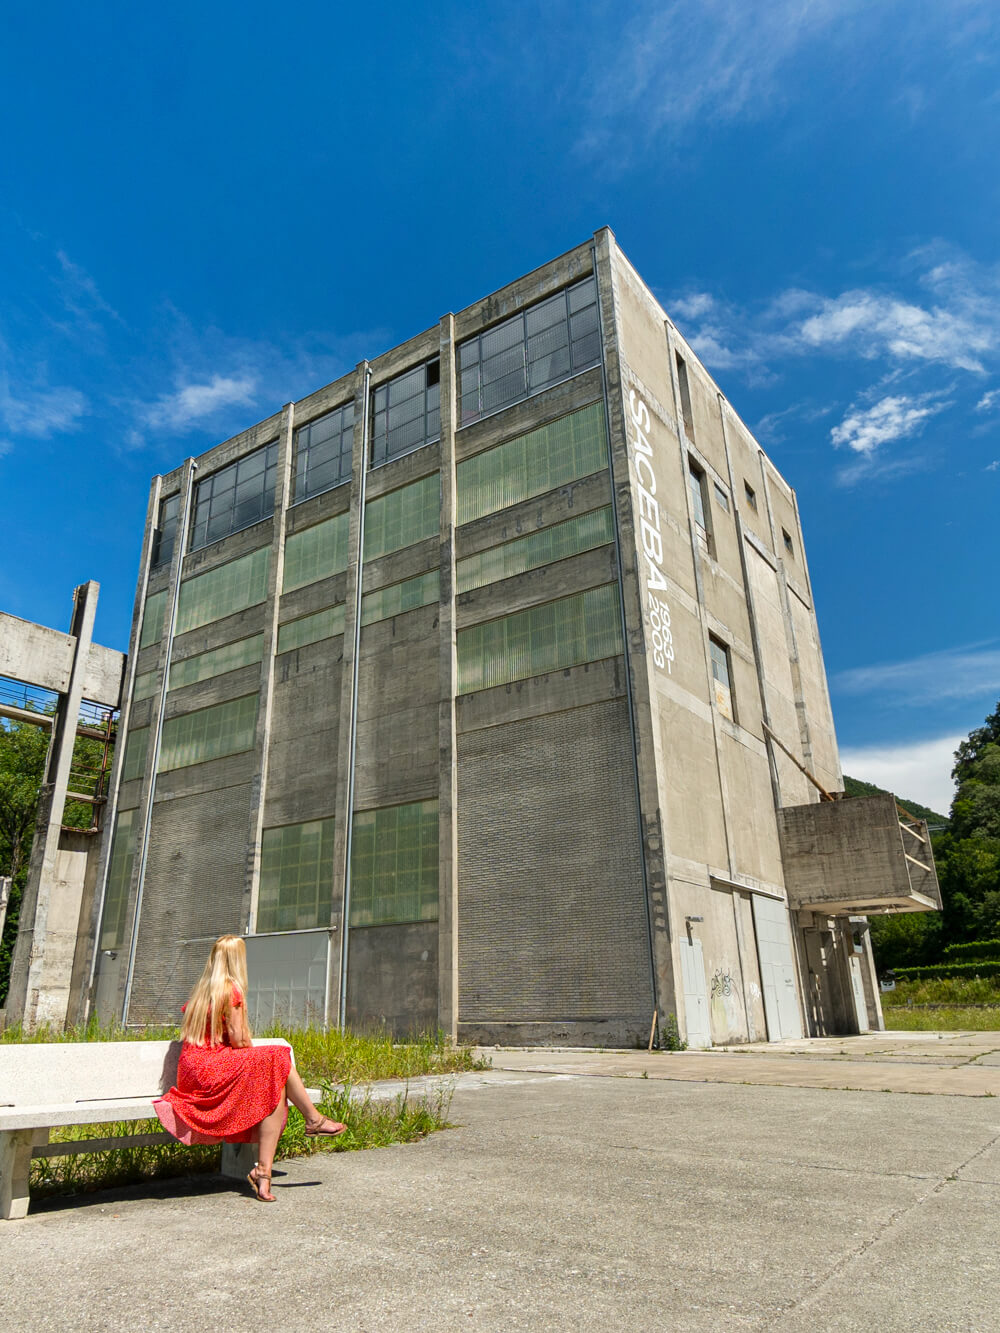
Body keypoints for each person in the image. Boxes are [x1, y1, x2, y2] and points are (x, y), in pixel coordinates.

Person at [154, 933, 345, 1202]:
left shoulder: (201, 991)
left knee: (274, 1079)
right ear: (237, 960)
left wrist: (259, 1068)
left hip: (193, 1072)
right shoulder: (231, 990)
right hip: (212, 1069)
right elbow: (240, 1040)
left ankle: (263, 1175)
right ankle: (313, 1120)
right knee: (277, 1058)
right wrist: (257, 1065)